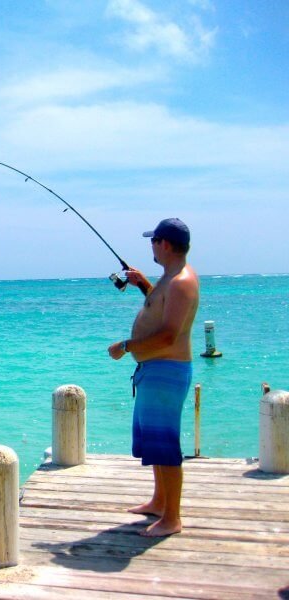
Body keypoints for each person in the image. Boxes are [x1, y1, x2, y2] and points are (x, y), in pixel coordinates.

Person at [108, 218, 199, 537]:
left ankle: (172, 518)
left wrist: (126, 346)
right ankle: (160, 502)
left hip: (167, 371)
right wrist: (143, 284)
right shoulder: (169, 279)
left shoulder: (180, 282)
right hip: (154, 371)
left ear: (166, 245)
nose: (151, 246)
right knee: (155, 443)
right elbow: (159, 307)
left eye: (154, 241)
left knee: (166, 445)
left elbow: (169, 335)